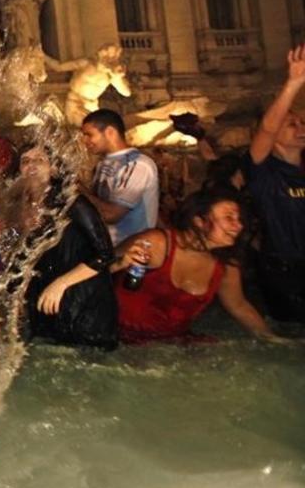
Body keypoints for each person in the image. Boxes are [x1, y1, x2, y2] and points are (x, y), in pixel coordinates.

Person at [107, 189, 284, 343]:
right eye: (229, 217)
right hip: (118, 336)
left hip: (171, 343)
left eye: (239, 219)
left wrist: (272, 339)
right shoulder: (156, 243)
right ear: (199, 221)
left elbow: (239, 306)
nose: (238, 225)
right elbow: (96, 268)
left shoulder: (226, 265)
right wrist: (120, 264)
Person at [17, 144, 118, 349]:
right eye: (25, 161)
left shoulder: (72, 202)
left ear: (53, 169)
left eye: (39, 160)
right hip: (49, 301)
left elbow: (105, 254)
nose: (31, 165)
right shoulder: (20, 206)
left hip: (84, 304)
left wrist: (61, 284)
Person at [243, 43, 305, 322]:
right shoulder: (263, 172)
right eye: (291, 124)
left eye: (302, 123)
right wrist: (293, 84)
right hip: (284, 270)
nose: (301, 128)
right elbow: (267, 128)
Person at [81, 109, 159, 244]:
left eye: (89, 134)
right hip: (106, 249)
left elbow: (111, 215)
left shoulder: (138, 165)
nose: (85, 141)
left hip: (130, 253)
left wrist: (77, 190)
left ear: (110, 132)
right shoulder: (102, 163)